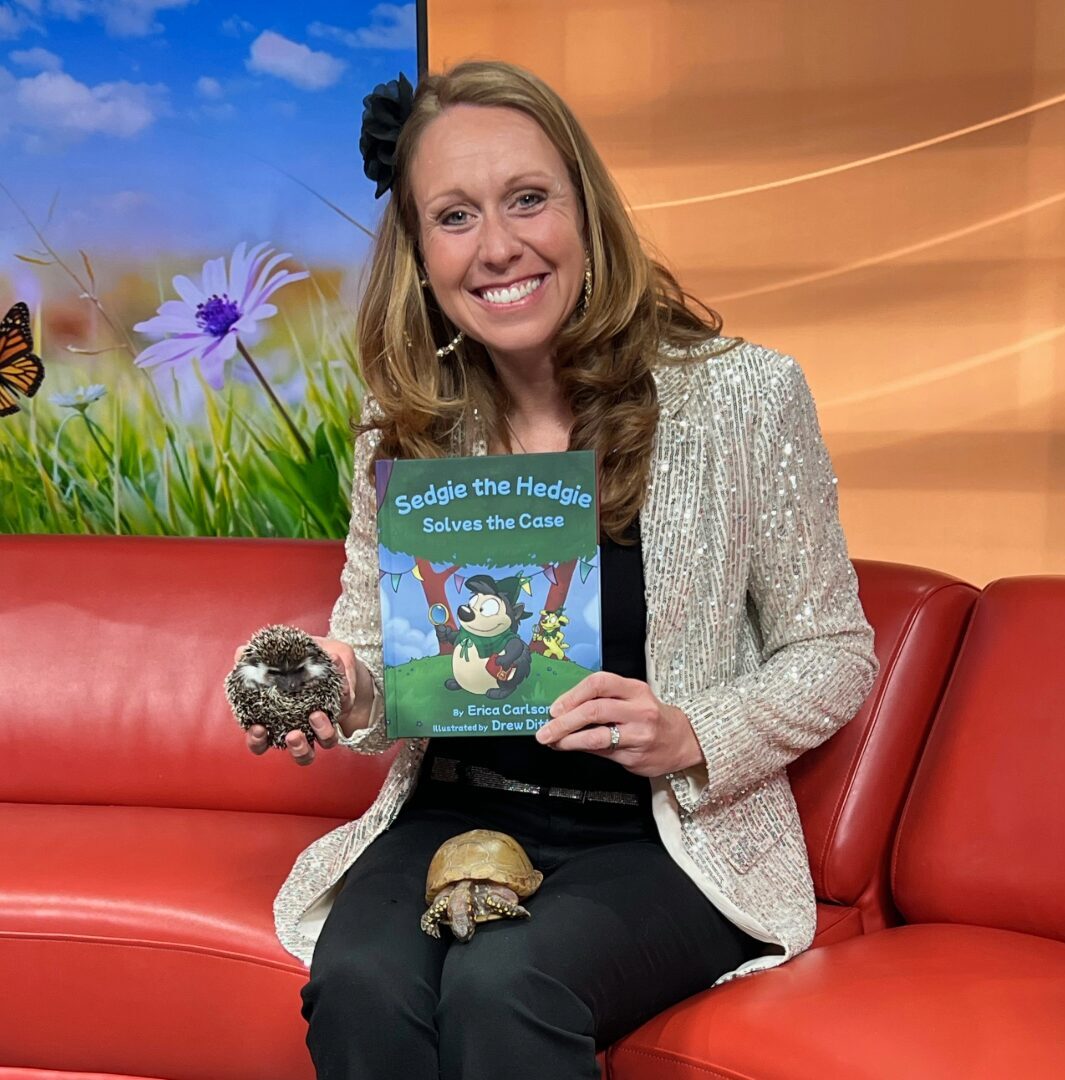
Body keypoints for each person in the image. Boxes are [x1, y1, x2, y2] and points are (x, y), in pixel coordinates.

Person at [244, 60, 879, 1080]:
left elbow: (836, 649)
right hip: (454, 805)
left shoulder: (745, 399)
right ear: (419, 253)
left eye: (528, 199)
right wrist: (345, 683)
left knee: (506, 984)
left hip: (656, 835)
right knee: (361, 982)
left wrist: (693, 732)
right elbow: (377, 652)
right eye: (455, 216)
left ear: (586, 211)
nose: (498, 246)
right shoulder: (404, 423)